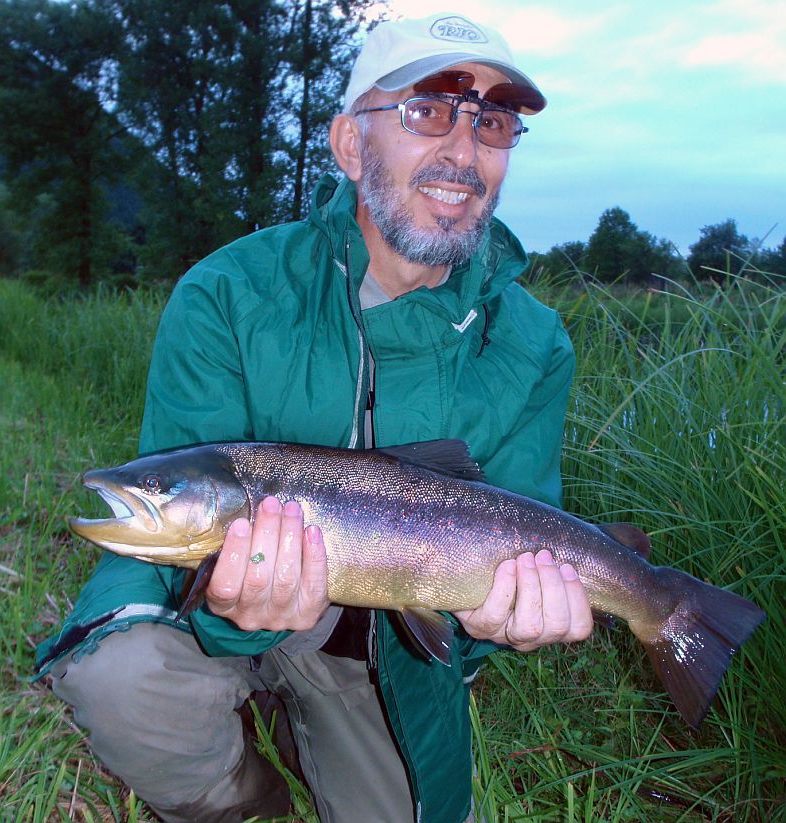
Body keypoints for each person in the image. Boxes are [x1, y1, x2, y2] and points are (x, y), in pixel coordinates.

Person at [36, 12, 593, 823]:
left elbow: (495, 570)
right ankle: (245, 797)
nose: (465, 150)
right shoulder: (225, 294)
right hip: (209, 606)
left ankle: (306, 722)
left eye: (495, 123)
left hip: (380, 653)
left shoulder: (534, 342)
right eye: (429, 110)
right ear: (348, 144)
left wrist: (498, 623)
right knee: (117, 681)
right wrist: (235, 616)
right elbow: (172, 534)